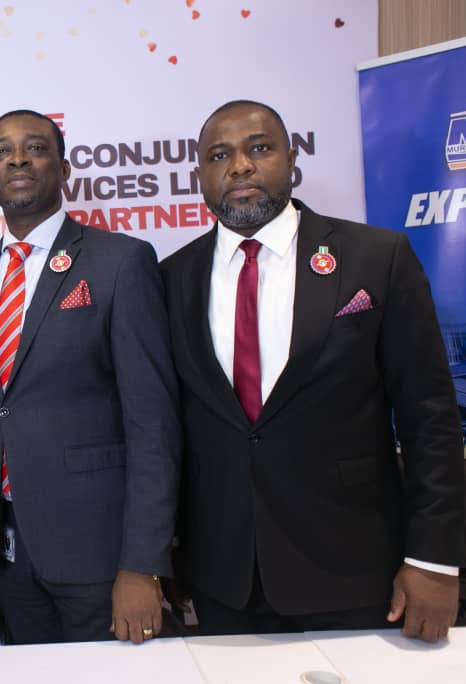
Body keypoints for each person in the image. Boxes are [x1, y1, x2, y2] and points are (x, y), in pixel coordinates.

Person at [160, 100, 465, 641]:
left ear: (291, 159)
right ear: (200, 175)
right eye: (219, 155)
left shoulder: (377, 257)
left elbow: (431, 420)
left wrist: (435, 560)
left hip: (355, 571)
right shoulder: (170, 279)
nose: (240, 166)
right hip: (225, 580)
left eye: (259, 148)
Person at [0, 109, 181, 645]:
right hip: (10, 552)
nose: (18, 160)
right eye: (1, 152)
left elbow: (153, 422)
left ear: (64, 167)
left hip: (100, 550)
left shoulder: (120, 261)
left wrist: (144, 563)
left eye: (34, 147)